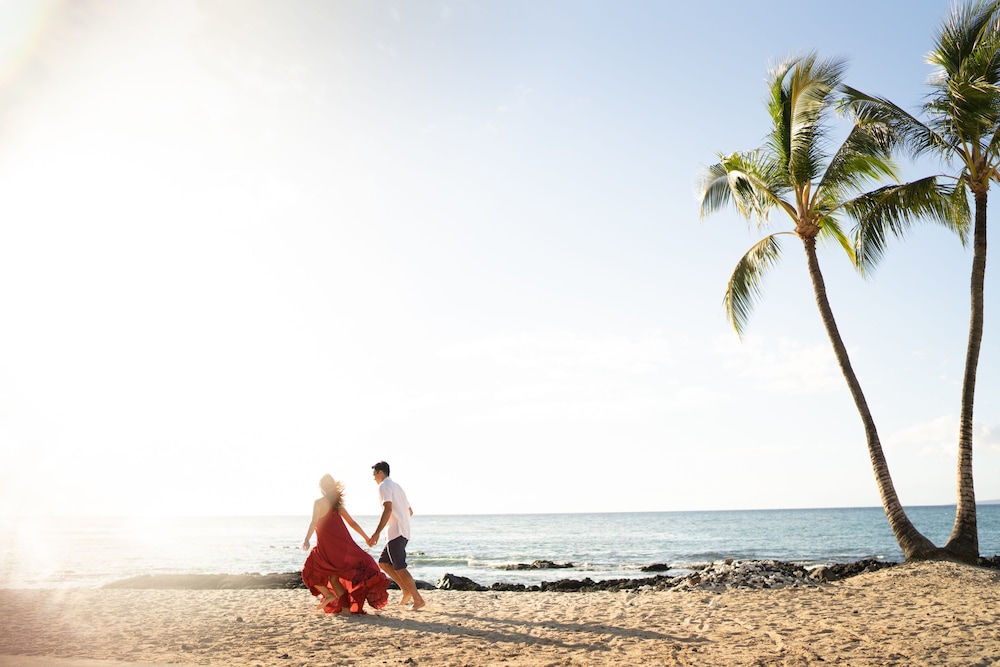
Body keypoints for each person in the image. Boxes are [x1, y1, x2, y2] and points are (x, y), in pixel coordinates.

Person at [301, 474, 389, 614]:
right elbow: (352, 523)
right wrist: (366, 537)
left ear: (322, 488)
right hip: (340, 550)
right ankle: (346, 609)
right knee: (334, 578)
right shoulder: (337, 505)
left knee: (309, 571)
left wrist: (306, 539)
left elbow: (313, 522)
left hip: (326, 549)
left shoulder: (319, 503)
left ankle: (329, 595)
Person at [367, 461, 425, 610]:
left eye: (374, 474)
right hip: (401, 531)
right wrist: (402, 521)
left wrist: (377, 532)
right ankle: (406, 590)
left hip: (396, 532)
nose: (373, 478)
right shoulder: (397, 487)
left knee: (399, 567)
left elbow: (387, 509)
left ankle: (418, 599)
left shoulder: (384, 486)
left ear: (381, 473)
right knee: (384, 563)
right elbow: (410, 511)